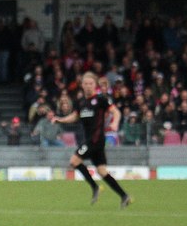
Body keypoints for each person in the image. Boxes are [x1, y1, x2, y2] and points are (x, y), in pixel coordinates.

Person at [51, 72, 132, 208]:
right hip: (91, 141)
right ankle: (124, 196)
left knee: (74, 161)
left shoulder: (100, 99)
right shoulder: (81, 102)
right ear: (82, 85)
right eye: (86, 83)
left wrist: (115, 123)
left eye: (91, 83)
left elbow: (116, 112)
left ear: (95, 85)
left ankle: (95, 187)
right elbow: (74, 116)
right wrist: (60, 120)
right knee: (102, 171)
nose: (88, 86)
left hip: (96, 140)